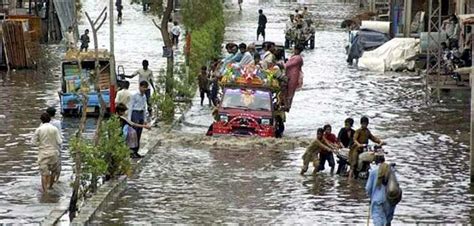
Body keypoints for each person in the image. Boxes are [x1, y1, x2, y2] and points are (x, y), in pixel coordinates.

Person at [33, 113, 62, 193]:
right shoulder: (54, 129)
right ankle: (50, 187)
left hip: (43, 154)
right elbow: (60, 141)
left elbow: (34, 142)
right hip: (53, 153)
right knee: (53, 171)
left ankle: (45, 191)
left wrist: (41, 144)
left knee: (43, 174)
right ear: (49, 119)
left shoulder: (39, 129)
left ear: (41, 120)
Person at [366, 155, 397, 225]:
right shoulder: (391, 170)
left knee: (378, 221)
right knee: (387, 221)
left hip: (377, 200)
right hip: (390, 200)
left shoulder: (373, 171)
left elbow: (368, 188)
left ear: (375, 162)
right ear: (383, 160)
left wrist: (371, 197)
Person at [129, 81, 149, 158]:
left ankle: (136, 151)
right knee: (133, 133)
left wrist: (145, 119)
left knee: (139, 133)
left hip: (141, 113)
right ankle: (131, 151)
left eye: (145, 88)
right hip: (135, 113)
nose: (144, 89)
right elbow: (130, 107)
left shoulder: (144, 96)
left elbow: (144, 107)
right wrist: (129, 119)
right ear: (140, 87)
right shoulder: (134, 95)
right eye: (143, 87)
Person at [284, 44, 304, 110]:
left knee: (290, 90)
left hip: (293, 76)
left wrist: (281, 64)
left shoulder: (297, 58)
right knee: (288, 90)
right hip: (292, 75)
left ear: (297, 50)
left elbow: (287, 65)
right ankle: (286, 104)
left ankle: (287, 106)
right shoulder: (296, 57)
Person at [45, 107, 62, 182]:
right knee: (56, 167)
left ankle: (47, 183)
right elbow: (59, 135)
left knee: (47, 166)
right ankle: (55, 181)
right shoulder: (57, 123)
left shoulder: (43, 123)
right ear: (54, 114)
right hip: (55, 146)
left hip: (46, 146)